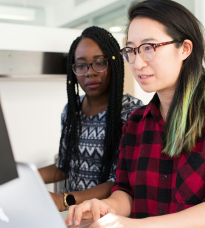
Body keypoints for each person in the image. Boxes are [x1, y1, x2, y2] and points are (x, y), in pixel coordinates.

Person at [65, 1, 205, 228]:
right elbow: (126, 191)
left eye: (149, 48)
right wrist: (107, 206)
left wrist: (142, 227)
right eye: (131, 50)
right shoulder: (136, 122)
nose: (138, 63)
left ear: (184, 48)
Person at [39, 26, 143, 212]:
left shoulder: (131, 113)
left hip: (110, 218)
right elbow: (64, 166)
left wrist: (64, 200)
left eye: (100, 63)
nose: (90, 72)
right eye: (81, 65)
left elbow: (119, 182)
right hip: (75, 218)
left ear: (114, 64)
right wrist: (24, 177)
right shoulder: (71, 111)